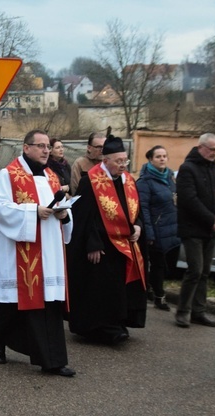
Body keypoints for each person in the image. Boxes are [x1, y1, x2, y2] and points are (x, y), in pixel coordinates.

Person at [0, 129, 76, 376]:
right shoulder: (9, 174)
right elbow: (0, 209)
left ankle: (53, 360)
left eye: (48, 146)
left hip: (49, 249)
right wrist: (33, 212)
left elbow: (60, 206)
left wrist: (64, 213)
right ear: (26, 148)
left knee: (48, 303)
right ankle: (0, 342)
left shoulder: (52, 176)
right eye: (41, 146)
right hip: (19, 249)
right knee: (11, 302)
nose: (46, 150)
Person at [67, 135, 146, 345]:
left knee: (121, 287)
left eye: (125, 161)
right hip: (101, 246)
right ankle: (100, 328)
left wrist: (138, 225)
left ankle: (118, 324)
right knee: (101, 289)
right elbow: (84, 217)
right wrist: (92, 244)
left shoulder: (128, 180)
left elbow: (136, 209)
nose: (123, 165)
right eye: (118, 161)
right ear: (106, 161)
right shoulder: (90, 181)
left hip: (124, 244)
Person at [174, 133, 215, 328]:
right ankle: (183, 311)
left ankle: (199, 311)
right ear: (201, 147)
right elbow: (189, 199)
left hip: (212, 229)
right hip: (192, 228)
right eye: (211, 149)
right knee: (195, 270)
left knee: (205, 272)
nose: (214, 153)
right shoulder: (187, 169)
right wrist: (210, 218)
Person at [136, 145, 181, 310]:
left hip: (172, 228)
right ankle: (159, 296)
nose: (162, 159)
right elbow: (143, 209)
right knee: (158, 264)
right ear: (150, 159)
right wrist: (149, 234)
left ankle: (149, 287)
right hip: (156, 229)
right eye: (158, 156)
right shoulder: (145, 182)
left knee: (168, 265)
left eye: (164, 156)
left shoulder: (170, 177)